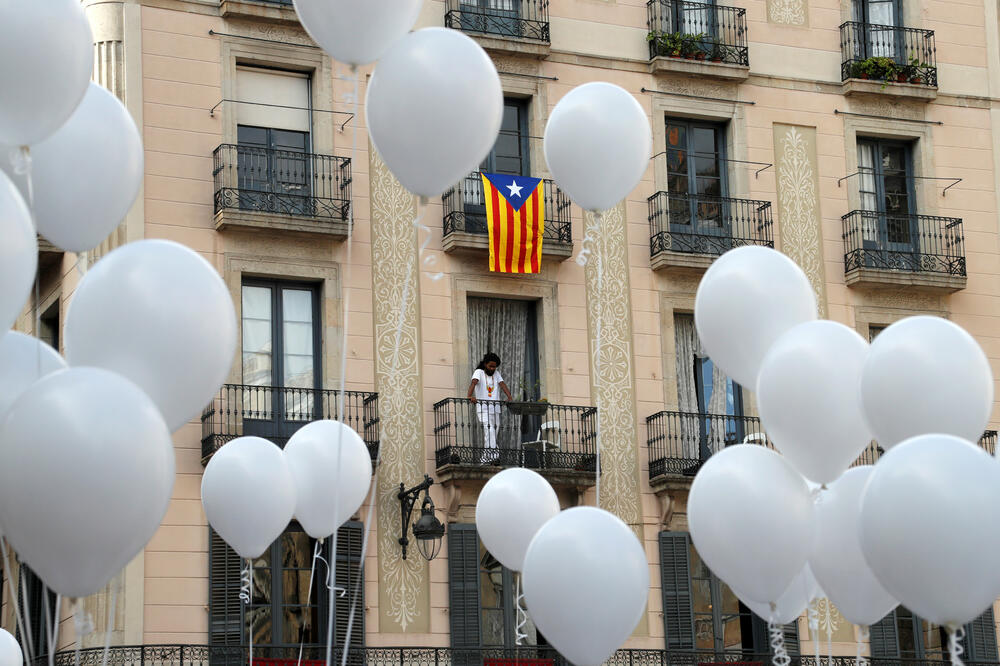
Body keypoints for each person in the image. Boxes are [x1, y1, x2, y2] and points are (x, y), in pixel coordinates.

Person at [467, 352, 513, 464]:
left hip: (495, 409)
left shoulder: (496, 374)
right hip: (483, 408)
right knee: (490, 430)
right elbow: (473, 383)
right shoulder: (478, 372)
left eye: (494, 366)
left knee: (492, 434)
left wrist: (509, 396)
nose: (492, 368)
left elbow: (502, 384)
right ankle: (494, 456)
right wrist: (469, 396)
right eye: (490, 366)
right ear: (485, 364)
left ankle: (484, 459)